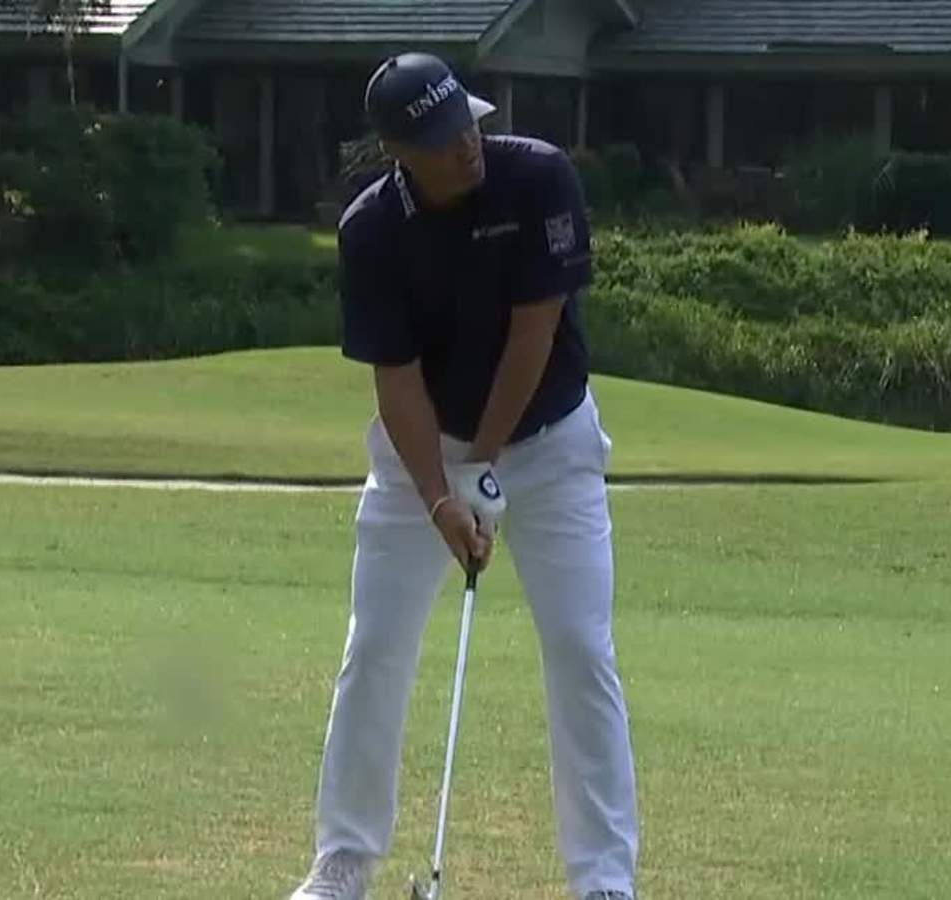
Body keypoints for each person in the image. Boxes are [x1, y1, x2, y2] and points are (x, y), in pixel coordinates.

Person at [288, 53, 639, 900]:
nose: (467, 146)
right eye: (445, 139)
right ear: (400, 150)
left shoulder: (539, 178)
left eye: (470, 124)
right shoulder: (372, 230)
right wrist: (442, 495)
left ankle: (603, 881)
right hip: (423, 453)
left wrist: (482, 467)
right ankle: (342, 863)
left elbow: (536, 334)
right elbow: (396, 378)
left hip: (552, 444)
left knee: (581, 649)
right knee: (374, 647)